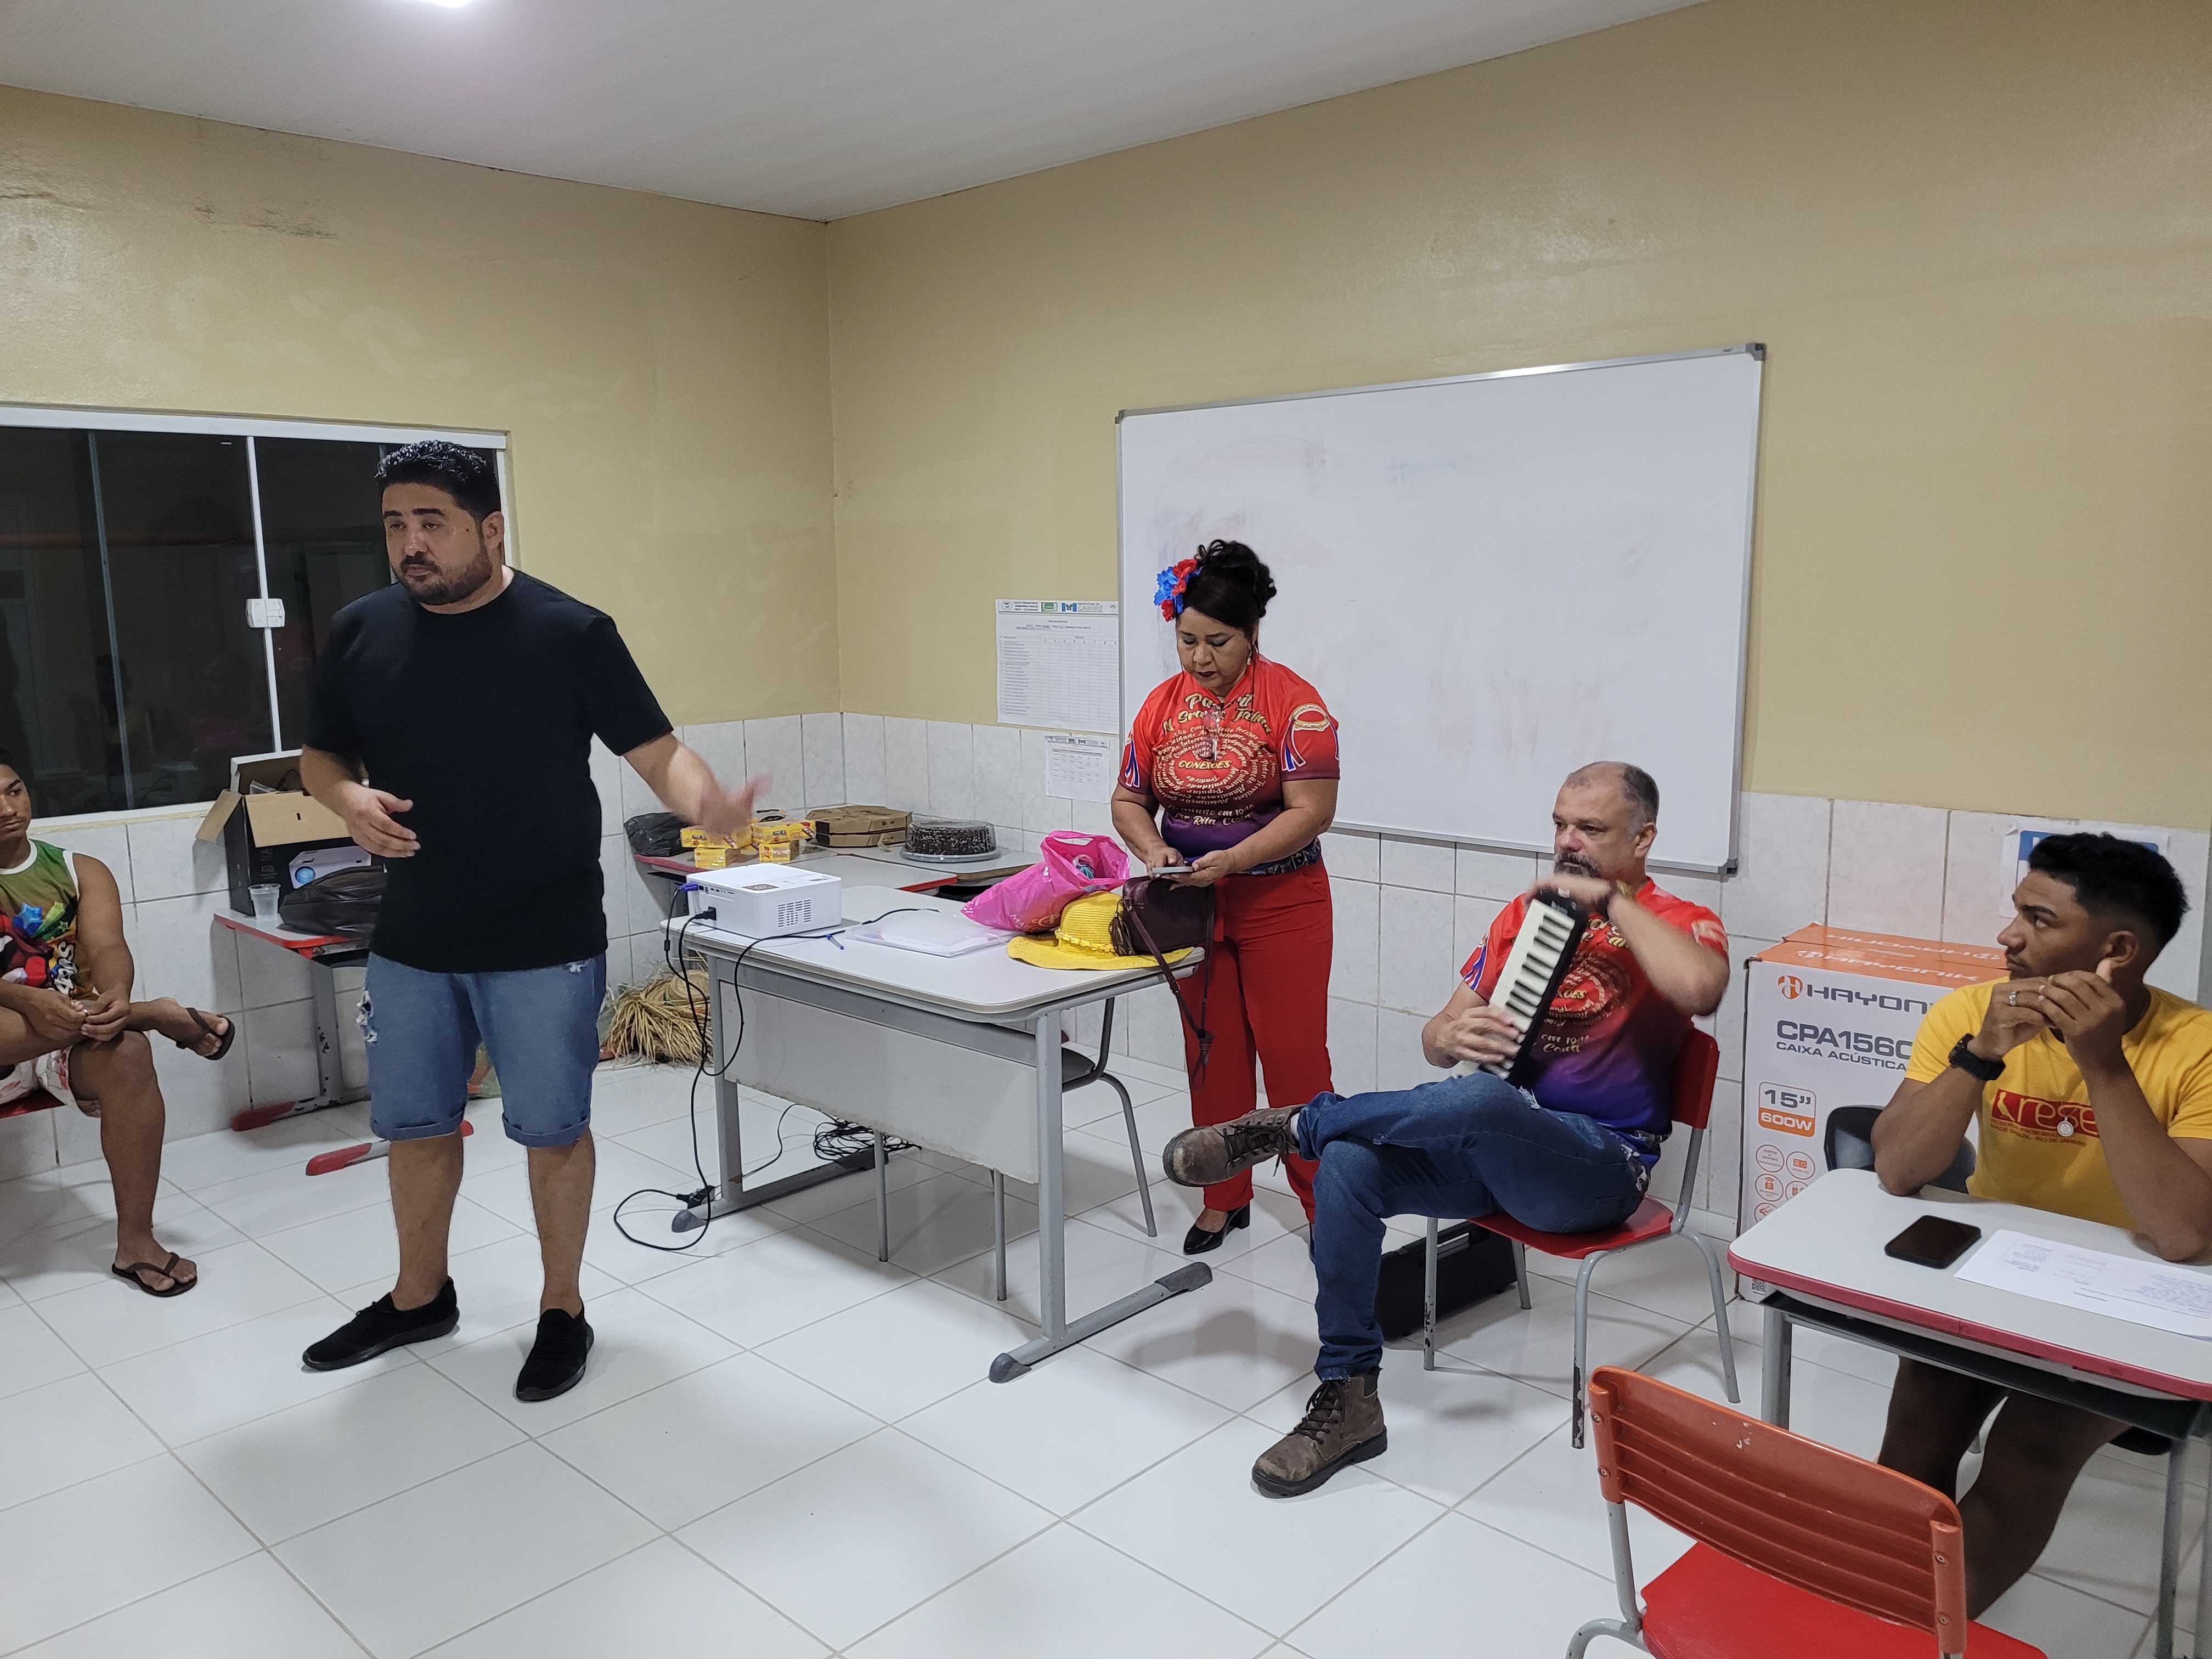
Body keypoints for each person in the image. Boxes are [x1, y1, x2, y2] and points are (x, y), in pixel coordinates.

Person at [298, 441, 759, 1402]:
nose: (411, 544)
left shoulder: (568, 631)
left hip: (543, 936)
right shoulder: (360, 630)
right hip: (413, 935)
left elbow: (655, 750)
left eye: (433, 523)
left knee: (551, 1129)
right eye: (396, 524)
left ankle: (561, 1310)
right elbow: (320, 754)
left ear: (491, 528)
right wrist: (345, 798)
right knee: (417, 1127)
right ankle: (419, 1296)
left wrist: (707, 804)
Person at [1162, 762, 1729, 1494]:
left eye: (1590, 829)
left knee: (1482, 1103)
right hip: (1498, 1148)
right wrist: (1452, 1036)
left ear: (1643, 838)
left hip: (1600, 1168)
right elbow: (1436, 1039)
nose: (1567, 842)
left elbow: (1701, 988)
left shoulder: (1679, 919)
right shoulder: (1528, 918)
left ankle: (1297, 1122)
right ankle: (1349, 1397)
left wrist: (1611, 904)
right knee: (1350, 1166)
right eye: (1560, 824)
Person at [1872, 833, 2210, 1616]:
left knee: (2032, 1444)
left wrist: (2103, 1063)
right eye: (2016, 912)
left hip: (2133, 1298)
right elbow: (1897, 1168)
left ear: (2116, 951)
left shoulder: (2197, 1048)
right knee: (1922, 1411)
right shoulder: (1974, 1012)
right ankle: (1880, 1607)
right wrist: (1980, 1055)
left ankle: (1922, 1636)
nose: (2009, 935)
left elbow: (2184, 1234)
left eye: (2039, 919)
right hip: (1996, 1272)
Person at [1113, 540, 1339, 1254]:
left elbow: (1313, 811)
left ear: (1252, 633)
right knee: (1211, 1054)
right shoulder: (1161, 707)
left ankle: (1325, 1205)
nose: (1200, 657)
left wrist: (1235, 859)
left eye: (1219, 641)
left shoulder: (1294, 704)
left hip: (1282, 903)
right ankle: (1224, 1197)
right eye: (1187, 640)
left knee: (1296, 1063)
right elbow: (1128, 800)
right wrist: (1153, 851)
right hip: (1195, 907)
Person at [0, 759, 235, 1296]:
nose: (8, 809)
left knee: (128, 1051)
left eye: (15, 791)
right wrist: (24, 999)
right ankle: (153, 1014)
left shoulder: (78, 869)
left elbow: (108, 947)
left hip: (67, 1035)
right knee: (98, 1023)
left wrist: (116, 998)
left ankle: (137, 1244)